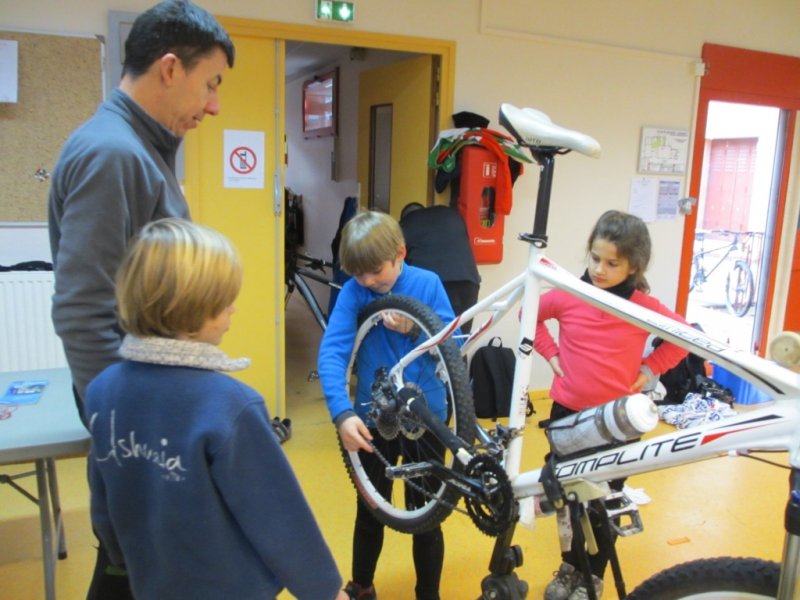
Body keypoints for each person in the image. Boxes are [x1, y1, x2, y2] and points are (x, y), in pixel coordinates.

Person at [47, 2, 235, 597]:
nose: (214, 104)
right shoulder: (114, 154)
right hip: (134, 413)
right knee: (132, 563)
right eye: (210, 84)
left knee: (135, 560)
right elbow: (83, 312)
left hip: (141, 403)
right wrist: (127, 429)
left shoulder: (140, 148)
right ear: (170, 68)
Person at [85, 218, 349, 600]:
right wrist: (324, 589)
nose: (233, 309)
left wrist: (115, 550)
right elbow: (278, 516)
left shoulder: (102, 390)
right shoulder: (230, 406)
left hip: (150, 581)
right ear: (190, 309)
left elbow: (103, 493)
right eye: (223, 301)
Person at [535, 210, 689, 600]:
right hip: (567, 415)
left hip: (616, 423)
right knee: (569, 498)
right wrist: (552, 356)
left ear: (633, 266)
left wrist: (651, 369)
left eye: (612, 263)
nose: (599, 270)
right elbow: (529, 315)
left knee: (605, 501)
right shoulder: (570, 292)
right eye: (595, 258)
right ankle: (570, 568)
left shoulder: (643, 307)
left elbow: (684, 337)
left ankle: (595, 576)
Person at [317, 210, 455, 600]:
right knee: (371, 509)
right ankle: (362, 585)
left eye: (375, 271)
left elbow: (453, 345)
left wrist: (416, 328)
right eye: (357, 274)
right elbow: (333, 353)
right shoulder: (354, 293)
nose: (368, 282)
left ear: (400, 253)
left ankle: (428, 593)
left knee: (426, 514)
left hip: (425, 418)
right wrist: (341, 413)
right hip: (372, 420)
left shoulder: (426, 284)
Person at [399, 203, 481, 333]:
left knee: (429, 337)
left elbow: (400, 267)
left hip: (432, 285)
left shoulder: (404, 225)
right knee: (460, 340)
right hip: (468, 281)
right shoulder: (450, 214)